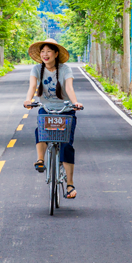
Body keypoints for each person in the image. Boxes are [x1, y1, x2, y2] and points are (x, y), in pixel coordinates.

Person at [22, 37, 83, 199]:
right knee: (40, 130)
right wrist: (28, 100)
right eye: (43, 52)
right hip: (46, 109)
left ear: (56, 54)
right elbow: (32, 87)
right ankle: (40, 159)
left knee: (66, 145)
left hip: (66, 110)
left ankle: (70, 184)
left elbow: (69, 87)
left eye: (49, 51)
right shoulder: (36, 69)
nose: (45, 54)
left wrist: (75, 103)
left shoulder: (65, 69)